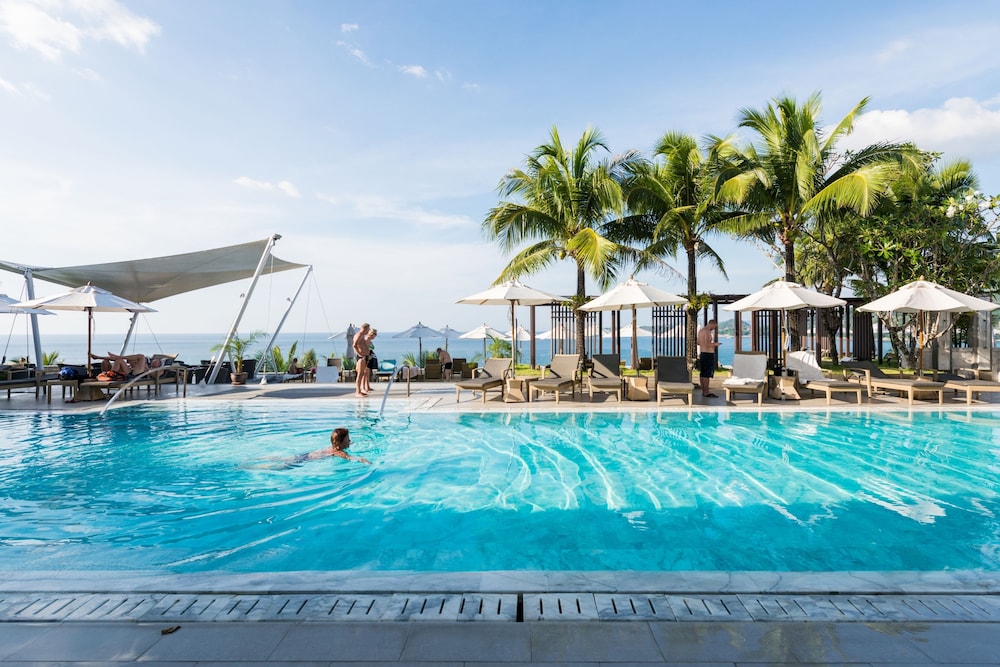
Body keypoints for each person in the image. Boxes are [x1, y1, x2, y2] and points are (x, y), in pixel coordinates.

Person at [697, 319, 721, 398]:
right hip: (708, 354)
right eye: (714, 326)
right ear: (712, 324)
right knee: (707, 374)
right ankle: (706, 391)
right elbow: (707, 344)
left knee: (702, 373)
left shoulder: (701, 331)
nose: (714, 328)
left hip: (702, 353)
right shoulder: (707, 332)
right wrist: (715, 344)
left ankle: (703, 391)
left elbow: (698, 342)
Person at [352, 323, 372, 397]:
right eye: (368, 329)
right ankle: (357, 392)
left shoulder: (362, 335)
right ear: (365, 328)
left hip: (364, 356)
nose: (368, 331)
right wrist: (359, 354)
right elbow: (354, 345)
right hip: (361, 357)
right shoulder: (359, 335)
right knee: (360, 374)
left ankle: (360, 390)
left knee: (362, 373)